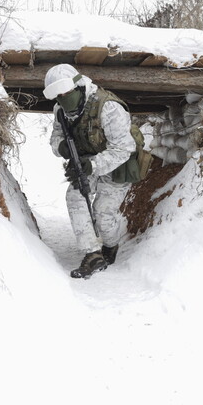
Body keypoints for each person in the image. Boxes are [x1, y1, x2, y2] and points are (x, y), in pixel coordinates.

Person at [43, 63, 150, 279]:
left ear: (79, 87)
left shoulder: (108, 107)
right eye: (59, 96)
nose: (63, 99)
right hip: (87, 162)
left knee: (103, 213)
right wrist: (63, 148)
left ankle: (111, 246)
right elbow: (55, 138)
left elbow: (124, 148)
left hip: (119, 164)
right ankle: (92, 254)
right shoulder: (60, 111)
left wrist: (92, 165)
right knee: (75, 197)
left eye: (67, 93)